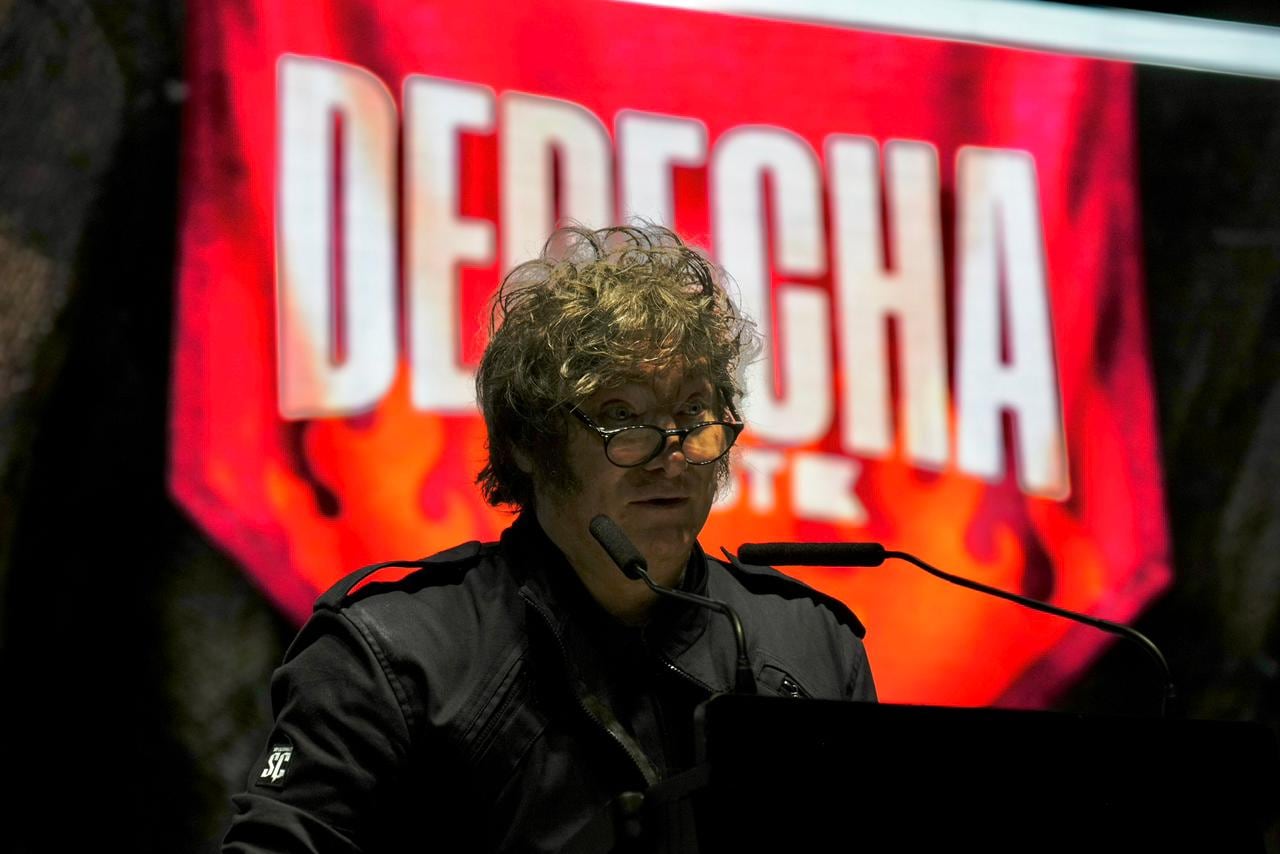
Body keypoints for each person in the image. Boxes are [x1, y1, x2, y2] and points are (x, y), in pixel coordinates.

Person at [222, 224, 875, 853]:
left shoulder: (812, 646)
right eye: (622, 418)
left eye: (693, 415)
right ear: (529, 441)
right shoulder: (394, 655)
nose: (671, 456)